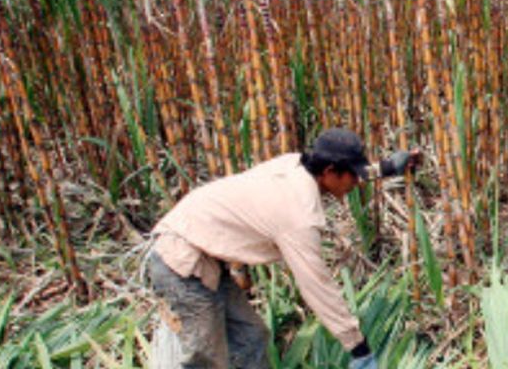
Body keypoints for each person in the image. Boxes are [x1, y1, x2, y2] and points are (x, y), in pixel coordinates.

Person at [147, 128, 420, 369]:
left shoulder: (296, 164)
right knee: (207, 359)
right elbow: (318, 287)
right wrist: (358, 347)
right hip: (182, 261)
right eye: (352, 176)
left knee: (252, 338)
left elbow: (343, 173)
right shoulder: (298, 215)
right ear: (329, 172)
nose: (354, 184)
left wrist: (386, 168)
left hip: (205, 254)